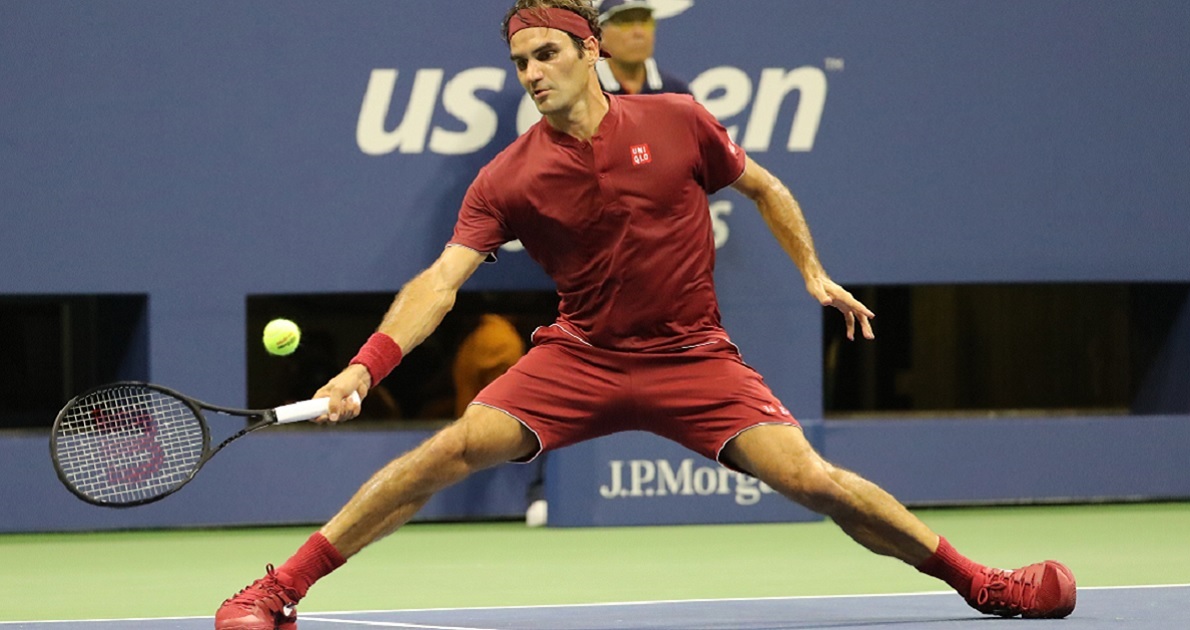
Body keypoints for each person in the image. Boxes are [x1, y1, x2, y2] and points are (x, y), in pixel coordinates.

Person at [215, 2, 1077, 628]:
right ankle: (277, 588)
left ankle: (982, 585)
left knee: (816, 481)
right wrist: (367, 367)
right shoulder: (507, 177)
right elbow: (441, 281)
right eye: (519, 64)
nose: (533, 74)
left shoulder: (677, 121)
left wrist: (812, 271)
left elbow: (766, 187)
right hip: (578, 359)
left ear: (587, 50)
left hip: (693, 357)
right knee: (443, 453)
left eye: (547, 54)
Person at [594, 0, 690, 95]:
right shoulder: (584, 88)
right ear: (599, 34)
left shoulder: (676, 91)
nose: (639, 32)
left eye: (645, 21)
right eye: (626, 22)